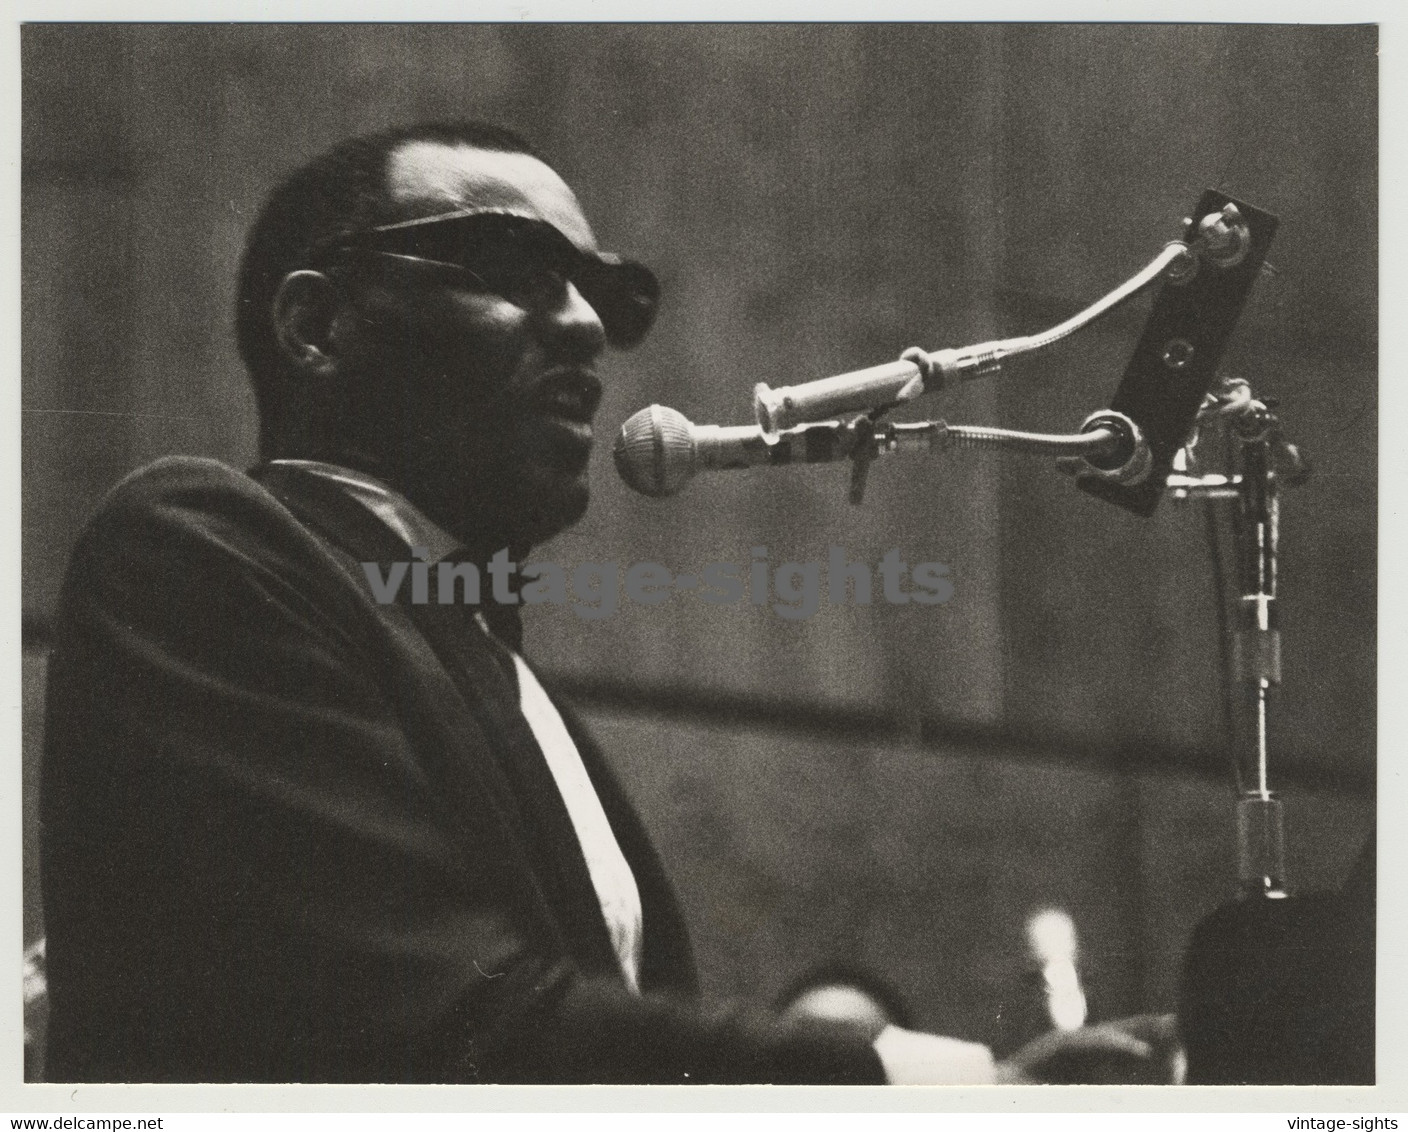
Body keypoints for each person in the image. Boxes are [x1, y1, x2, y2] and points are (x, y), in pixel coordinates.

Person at [40, 120, 1160, 1085]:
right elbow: (451, 1025)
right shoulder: (196, 552)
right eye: (510, 264)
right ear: (317, 328)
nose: (583, 326)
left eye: (606, 294)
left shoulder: (498, 668)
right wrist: (954, 1081)